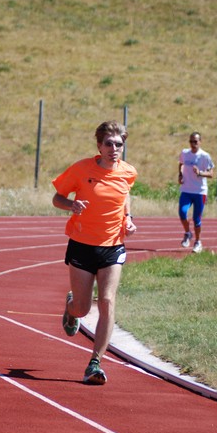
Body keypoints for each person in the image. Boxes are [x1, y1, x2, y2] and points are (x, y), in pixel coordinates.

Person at [52, 120, 138, 385]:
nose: (114, 149)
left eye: (119, 144)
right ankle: (71, 308)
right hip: (81, 243)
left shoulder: (128, 172)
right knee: (82, 308)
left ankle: (95, 363)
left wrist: (128, 219)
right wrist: (72, 205)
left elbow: (124, 196)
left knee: (108, 301)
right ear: (99, 146)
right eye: (109, 144)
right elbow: (57, 198)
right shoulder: (81, 169)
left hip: (112, 245)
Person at [178, 131, 214, 253]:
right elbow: (181, 164)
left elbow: (211, 174)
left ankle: (198, 241)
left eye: (195, 141)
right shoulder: (185, 153)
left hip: (200, 192)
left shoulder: (205, 156)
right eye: (191, 141)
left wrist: (200, 173)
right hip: (186, 190)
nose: (193, 144)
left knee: (196, 219)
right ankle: (188, 233)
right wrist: (180, 174)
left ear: (200, 142)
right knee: (182, 212)